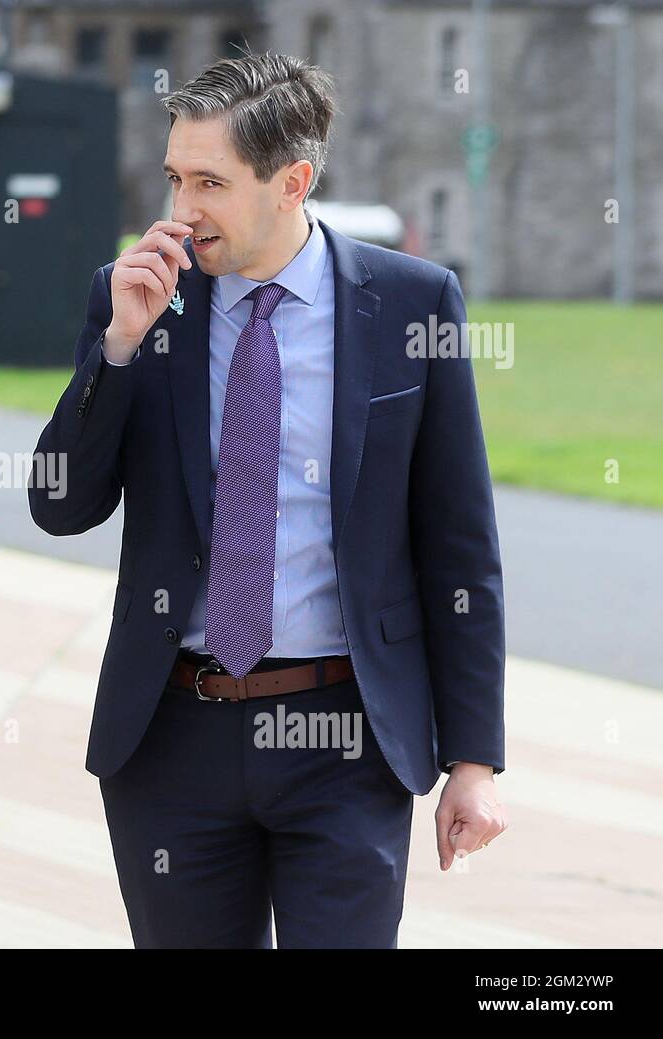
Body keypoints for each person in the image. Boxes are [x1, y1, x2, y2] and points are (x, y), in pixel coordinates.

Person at [28, 53, 507, 949]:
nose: (182, 209)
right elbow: (60, 504)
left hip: (345, 738)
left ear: (292, 182)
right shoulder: (134, 298)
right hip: (171, 737)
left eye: (211, 182)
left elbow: (460, 545)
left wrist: (473, 762)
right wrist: (120, 349)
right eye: (176, 177)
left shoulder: (413, 302)